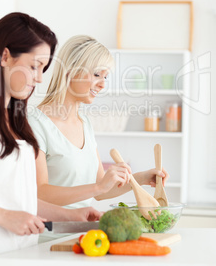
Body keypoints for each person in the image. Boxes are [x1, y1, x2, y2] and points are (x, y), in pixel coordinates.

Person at [0, 15, 102, 266]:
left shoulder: (17, 124)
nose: (40, 79)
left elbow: (18, 199)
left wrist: (73, 216)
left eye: (44, 68)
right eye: (35, 66)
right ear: (5, 57)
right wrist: (3, 217)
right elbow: (7, 211)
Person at [28, 35, 169, 211]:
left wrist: (140, 178)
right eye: (97, 74)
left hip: (84, 232)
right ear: (71, 71)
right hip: (49, 235)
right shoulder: (35, 123)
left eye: (105, 77)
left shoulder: (84, 123)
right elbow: (39, 193)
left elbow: (101, 190)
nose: (102, 84)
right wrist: (98, 187)